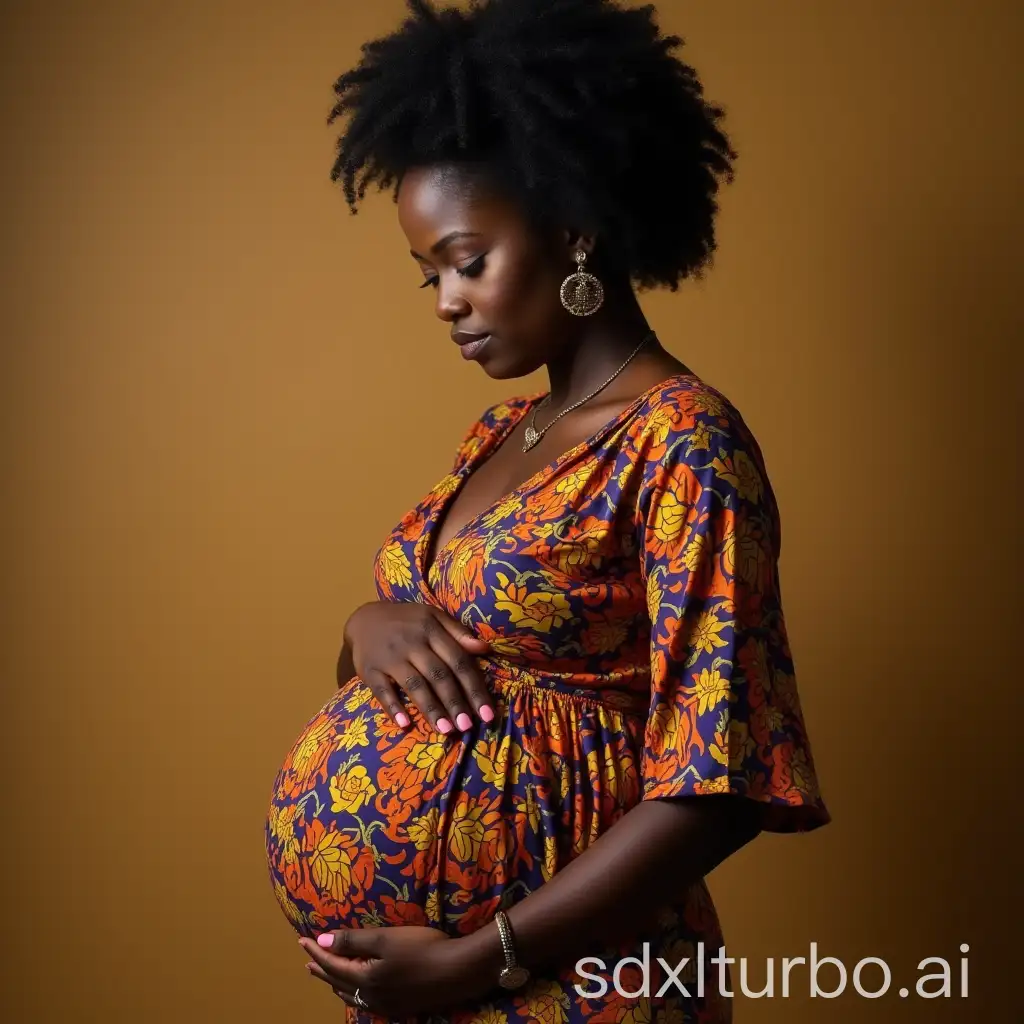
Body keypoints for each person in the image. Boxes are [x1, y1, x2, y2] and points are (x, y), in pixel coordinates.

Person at [265, 0, 830, 1020]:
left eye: (467, 259)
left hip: (577, 985)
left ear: (572, 228)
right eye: (428, 272)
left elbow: (718, 782)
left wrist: (483, 956)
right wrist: (365, 627)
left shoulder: (682, 440)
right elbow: (444, 662)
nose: (444, 299)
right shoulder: (502, 434)